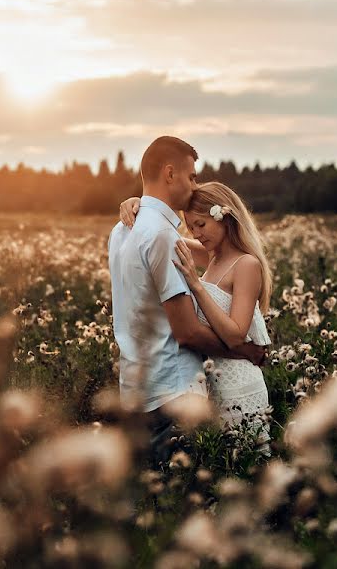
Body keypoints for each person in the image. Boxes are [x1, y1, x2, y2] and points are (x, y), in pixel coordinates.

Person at [107, 137, 266, 468]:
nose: (194, 183)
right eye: (191, 175)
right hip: (173, 389)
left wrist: (140, 202)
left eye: (201, 224)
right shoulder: (160, 235)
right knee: (183, 499)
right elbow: (188, 333)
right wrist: (244, 351)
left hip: (137, 388)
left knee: (160, 501)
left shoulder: (120, 232)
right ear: (170, 173)